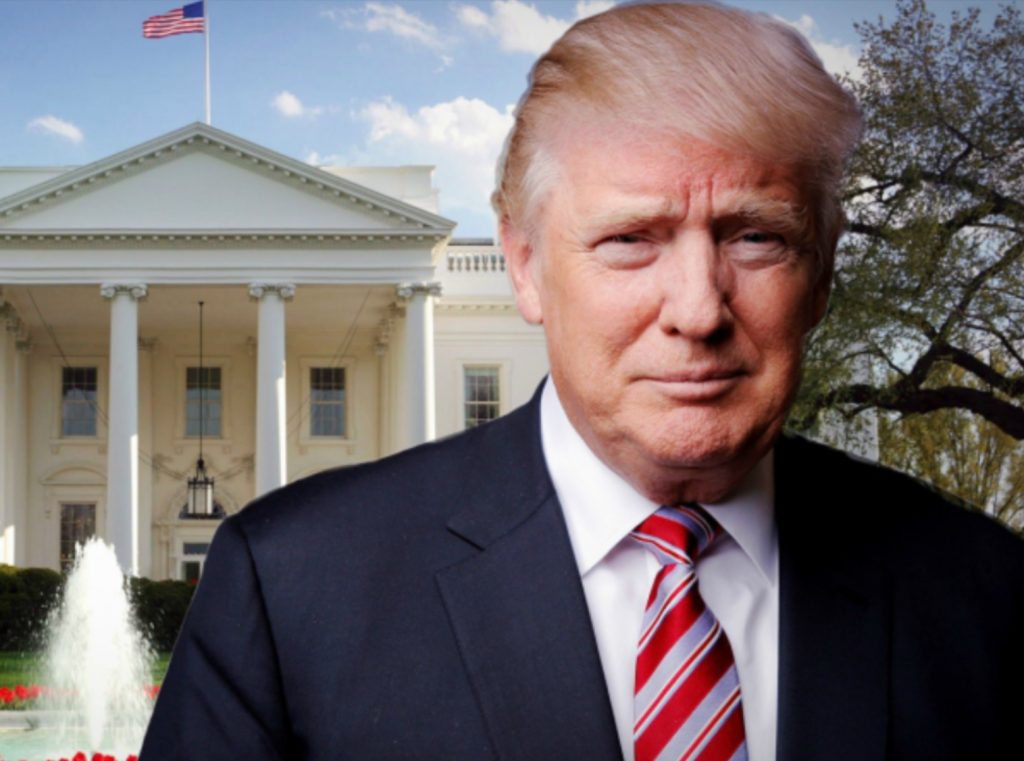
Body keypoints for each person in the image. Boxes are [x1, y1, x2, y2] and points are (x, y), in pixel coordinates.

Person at [140, 3, 1024, 760]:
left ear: (822, 270)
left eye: (756, 236)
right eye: (631, 238)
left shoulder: (983, 594)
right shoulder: (293, 587)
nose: (697, 309)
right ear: (524, 265)